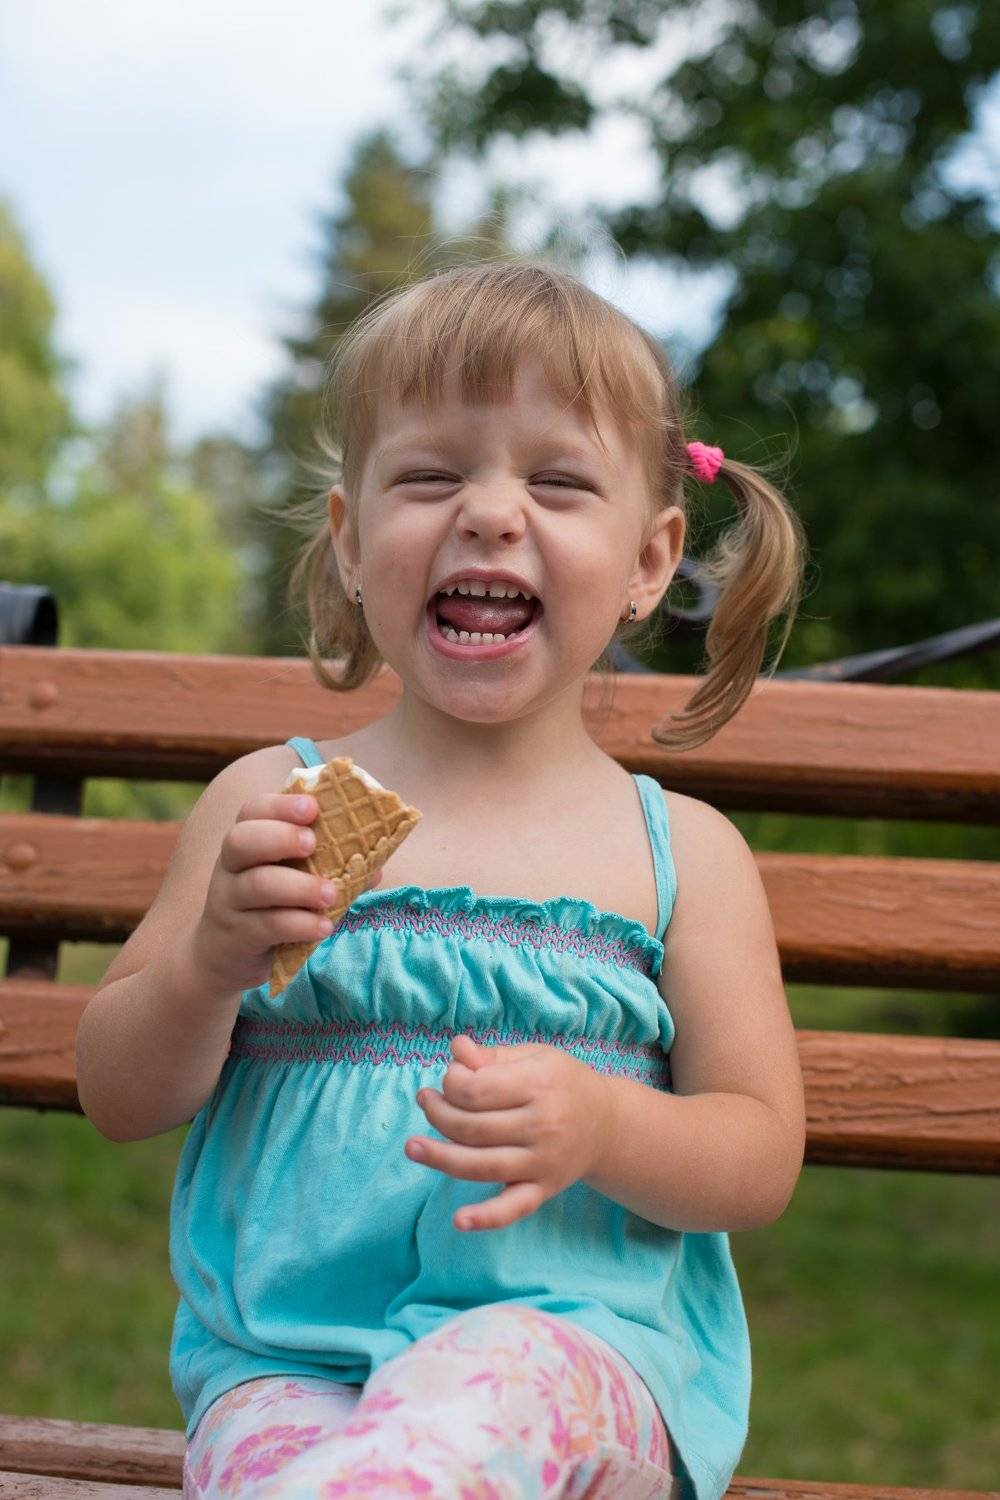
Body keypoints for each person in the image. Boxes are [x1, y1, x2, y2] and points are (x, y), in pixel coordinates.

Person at [75, 258, 808, 1500]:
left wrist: (606, 1124)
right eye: (429, 477)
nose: (490, 513)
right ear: (352, 541)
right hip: (287, 1365)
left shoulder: (679, 851)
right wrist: (206, 967)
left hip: (573, 1356)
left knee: (472, 1407)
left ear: (648, 559)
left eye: (557, 482)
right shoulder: (273, 805)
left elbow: (756, 1153)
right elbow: (117, 1093)